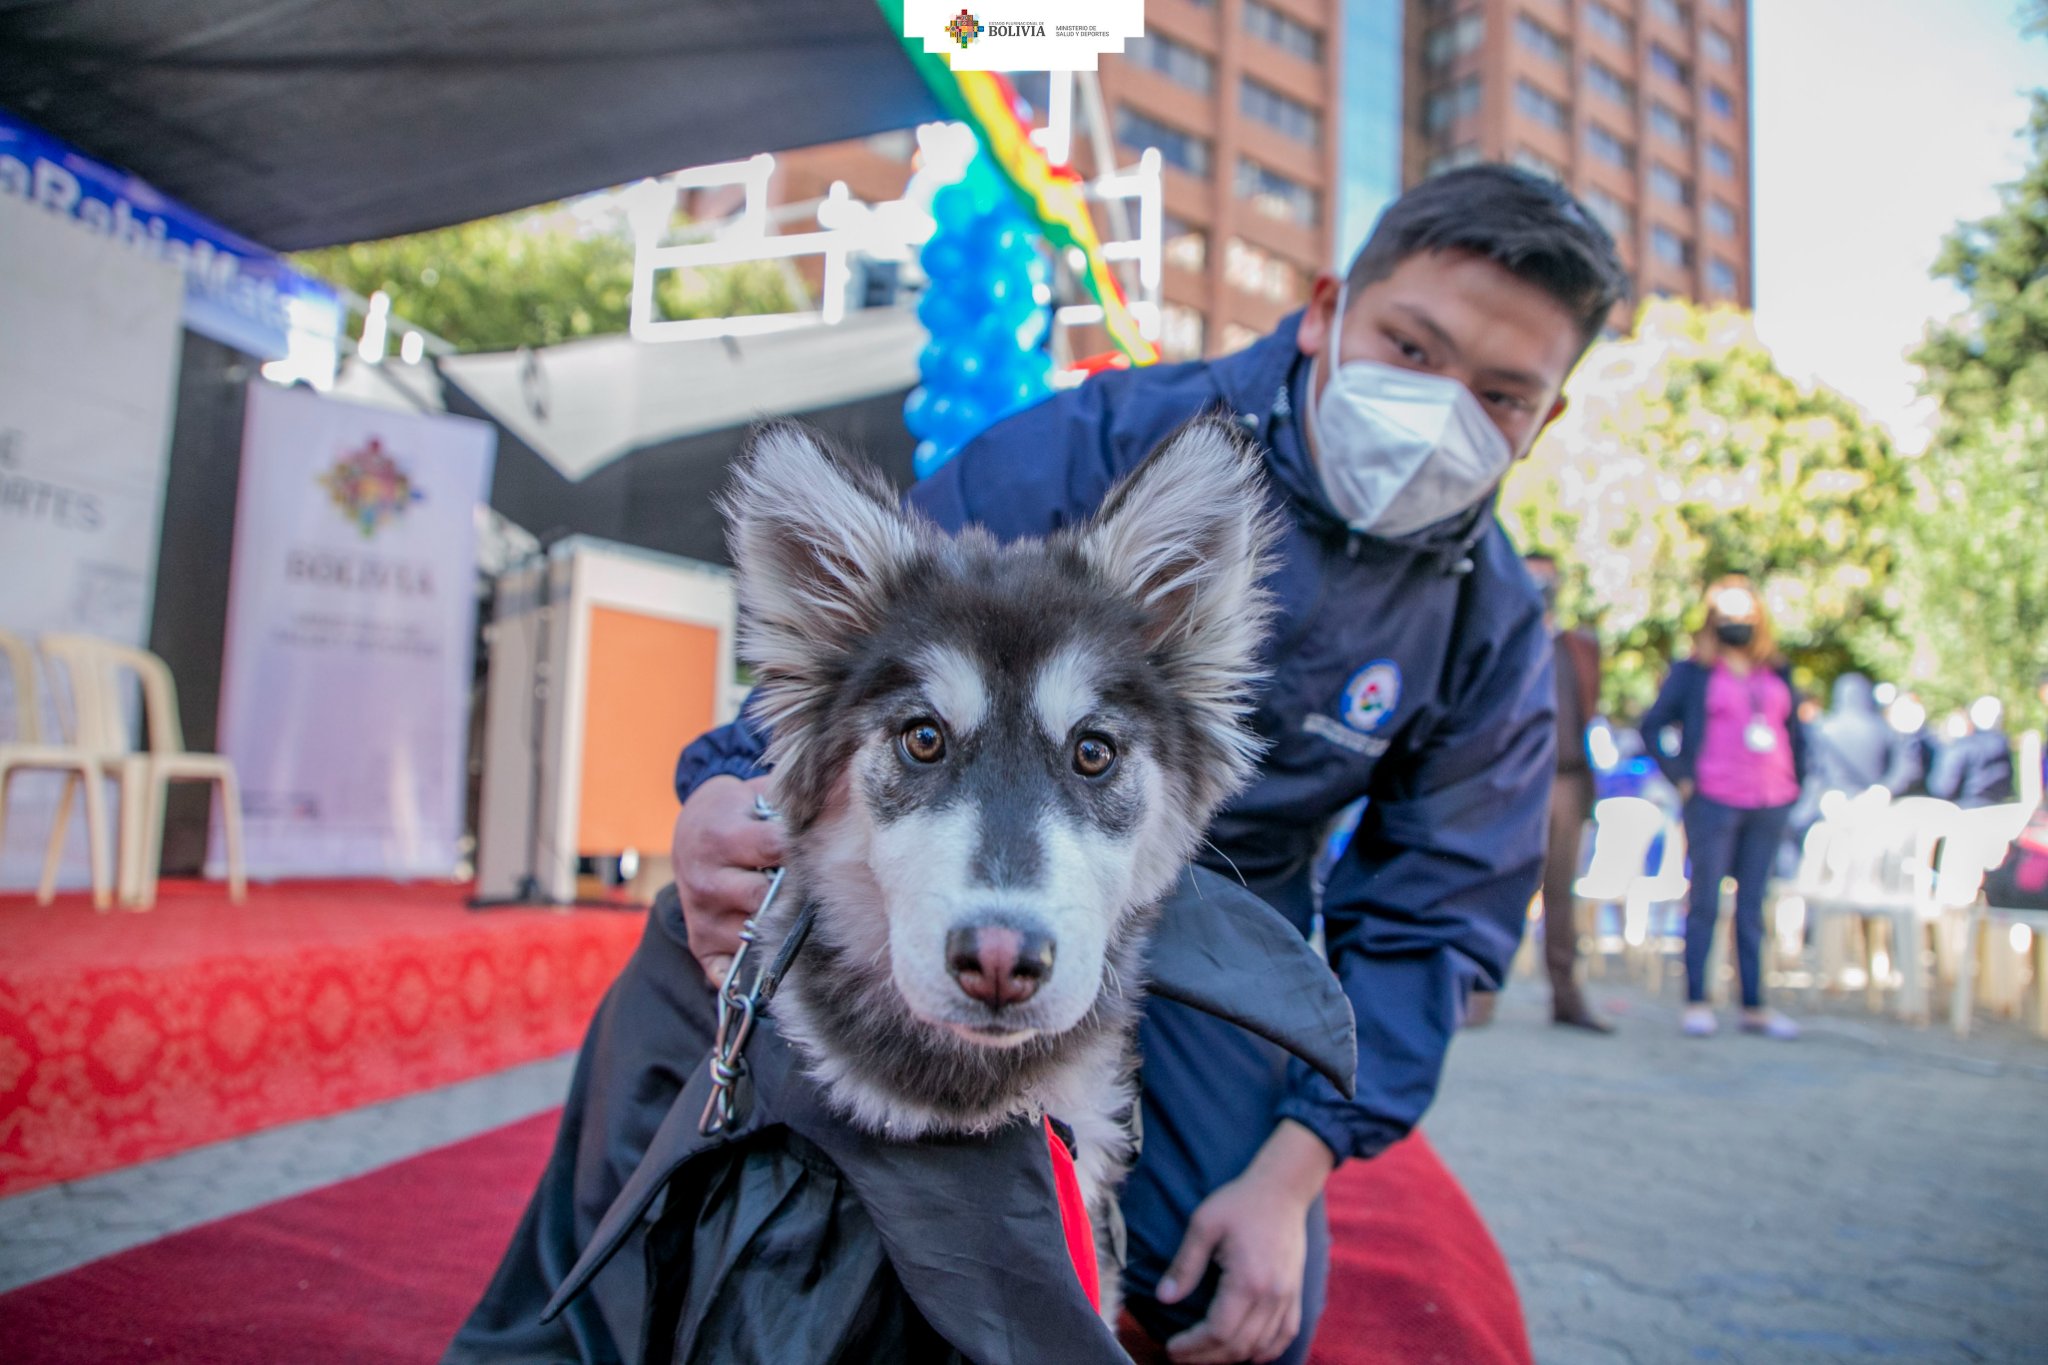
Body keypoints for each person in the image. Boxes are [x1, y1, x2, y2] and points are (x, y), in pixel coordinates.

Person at [454, 164, 1629, 1365]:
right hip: (956, 819)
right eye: (1410, 349)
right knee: (693, 935)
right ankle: (560, 1324)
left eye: (1500, 393)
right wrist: (720, 789)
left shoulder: (1488, 626)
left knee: (1221, 1310)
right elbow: (850, 660)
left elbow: (1427, 925)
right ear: (1326, 308)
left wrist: (1290, 1178)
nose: (1439, 410)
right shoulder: (1102, 446)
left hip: (1215, 914)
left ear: (1546, 419)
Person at [1638, 577, 1808, 1041]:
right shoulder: (1694, 673)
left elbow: (1794, 732)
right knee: (1705, 902)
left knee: (1753, 906)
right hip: (1713, 798)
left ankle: (1754, 1004)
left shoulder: (1776, 671)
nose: (1738, 625)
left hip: (1769, 799)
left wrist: (1797, 783)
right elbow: (1652, 726)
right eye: (1727, 617)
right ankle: (1697, 999)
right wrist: (1682, 779)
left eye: (1745, 616)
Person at [1522, 550, 1612, 1033]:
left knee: (1561, 892)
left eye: (1548, 581)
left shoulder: (1577, 647)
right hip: (1516, 780)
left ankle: (1566, 994)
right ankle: (1481, 994)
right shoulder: (1508, 640)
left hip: (1568, 779)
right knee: (1506, 884)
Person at [1928, 695, 2016, 808]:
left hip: (1966, 811)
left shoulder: (1964, 746)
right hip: (1999, 809)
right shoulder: (2003, 745)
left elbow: (1943, 788)